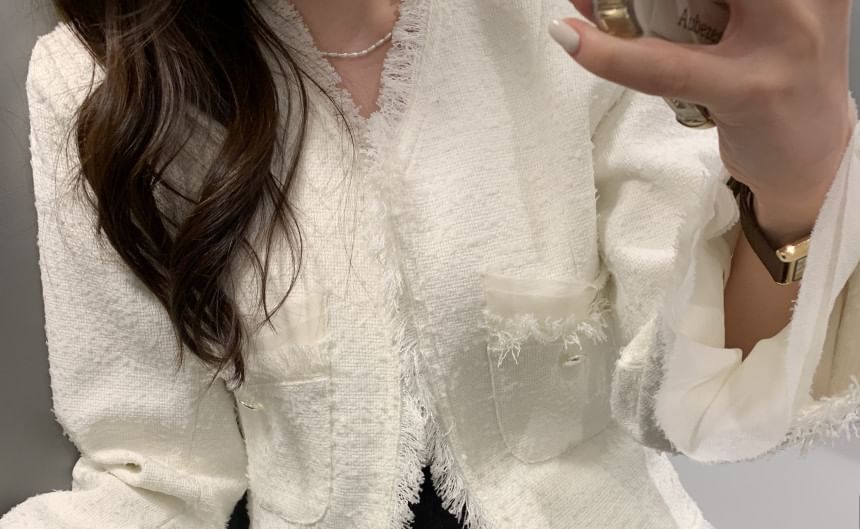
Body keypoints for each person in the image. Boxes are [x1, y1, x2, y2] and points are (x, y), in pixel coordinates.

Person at [2, 0, 858, 528]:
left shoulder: (581, 24)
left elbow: (706, 402)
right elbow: (154, 474)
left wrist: (798, 190)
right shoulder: (103, 81)